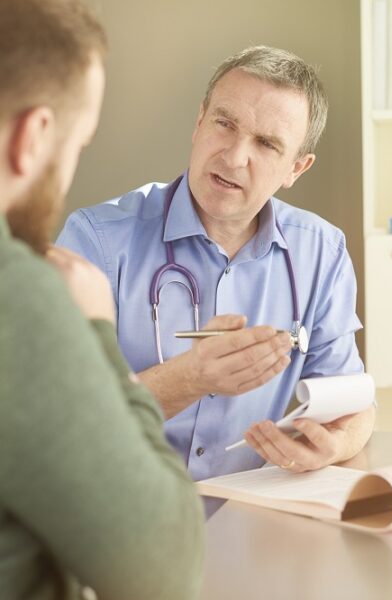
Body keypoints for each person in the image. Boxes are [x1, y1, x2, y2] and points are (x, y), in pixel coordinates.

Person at [57, 45, 375, 482]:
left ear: (296, 168)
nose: (234, 156)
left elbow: (352, 404)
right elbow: (60, 419)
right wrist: (190, 377)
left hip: (249, 513)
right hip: (120, 512)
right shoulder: (96, 240)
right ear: (199, 121)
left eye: (266, 144)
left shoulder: (322, 251)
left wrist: (331, 445)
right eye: (225, 124)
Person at [0, 1, 204, 598]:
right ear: (33, 136)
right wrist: (95, 330)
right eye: (79, 144)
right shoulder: (22, 293)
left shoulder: (317, 245)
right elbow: (164, 571)